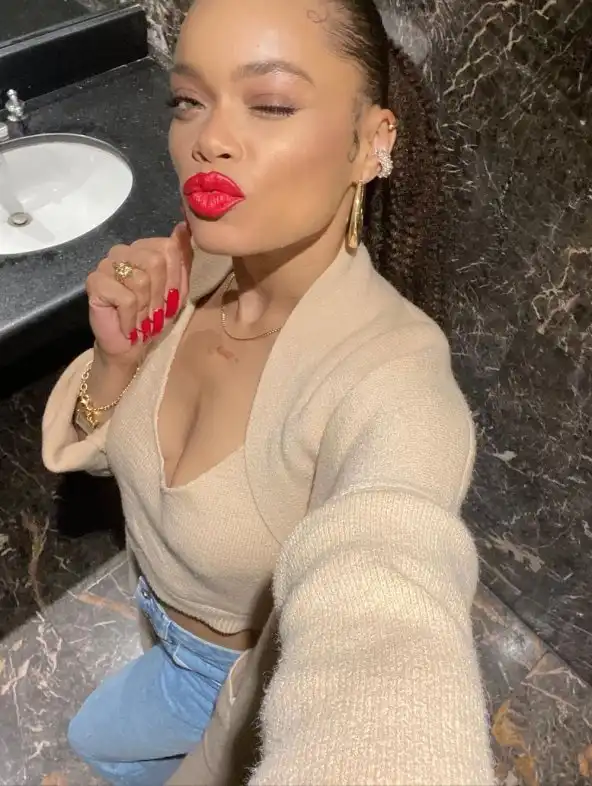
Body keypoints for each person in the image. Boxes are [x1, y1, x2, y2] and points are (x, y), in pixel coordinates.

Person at [42, 0, 494, 784]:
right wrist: (118, 362)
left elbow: (388, 583)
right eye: (189, 100)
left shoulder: (396, 380)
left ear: (372, 142)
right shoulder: (200, 264)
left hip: (232, 684)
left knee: (95, 741)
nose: (207, 140)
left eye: (272, 104)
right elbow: (116, 451)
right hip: (157, 617)